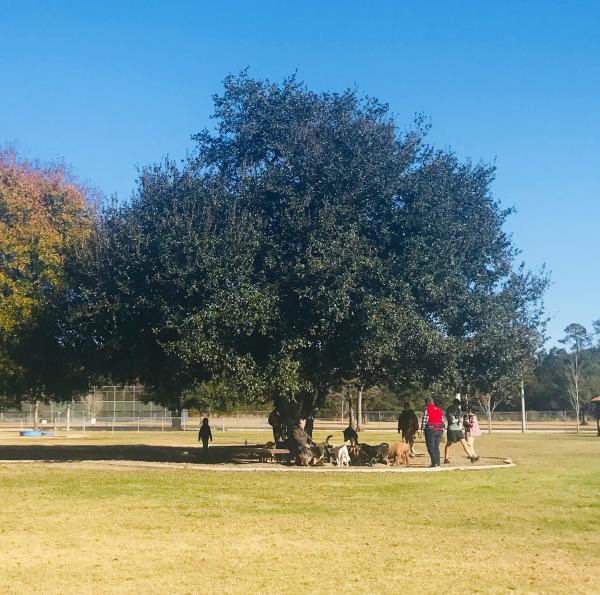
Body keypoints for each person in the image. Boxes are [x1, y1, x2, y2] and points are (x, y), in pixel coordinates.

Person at [444, 398, 478, 464]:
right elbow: (451, 420)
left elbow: (461, 418)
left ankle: (472, 457)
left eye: (458, 405)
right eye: (457, 404)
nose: (457, 406)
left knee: (464, 443)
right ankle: (446, 458)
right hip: (452, 429)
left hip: (458, 429)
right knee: (449, 444)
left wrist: (462, 420)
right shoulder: (449, 410)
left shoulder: (459, 410)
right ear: (454, 404)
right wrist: (458, 420)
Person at [421, 396, 444, 467]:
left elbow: (425, 421)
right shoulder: (439, 410)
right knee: (436, 447)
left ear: (426, 403)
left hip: (430, 430)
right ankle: (438, 462)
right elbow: (442, 420)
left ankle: (434, 463)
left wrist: (422, 429)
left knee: (430, 447)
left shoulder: (427, 410)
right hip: (439, 429)